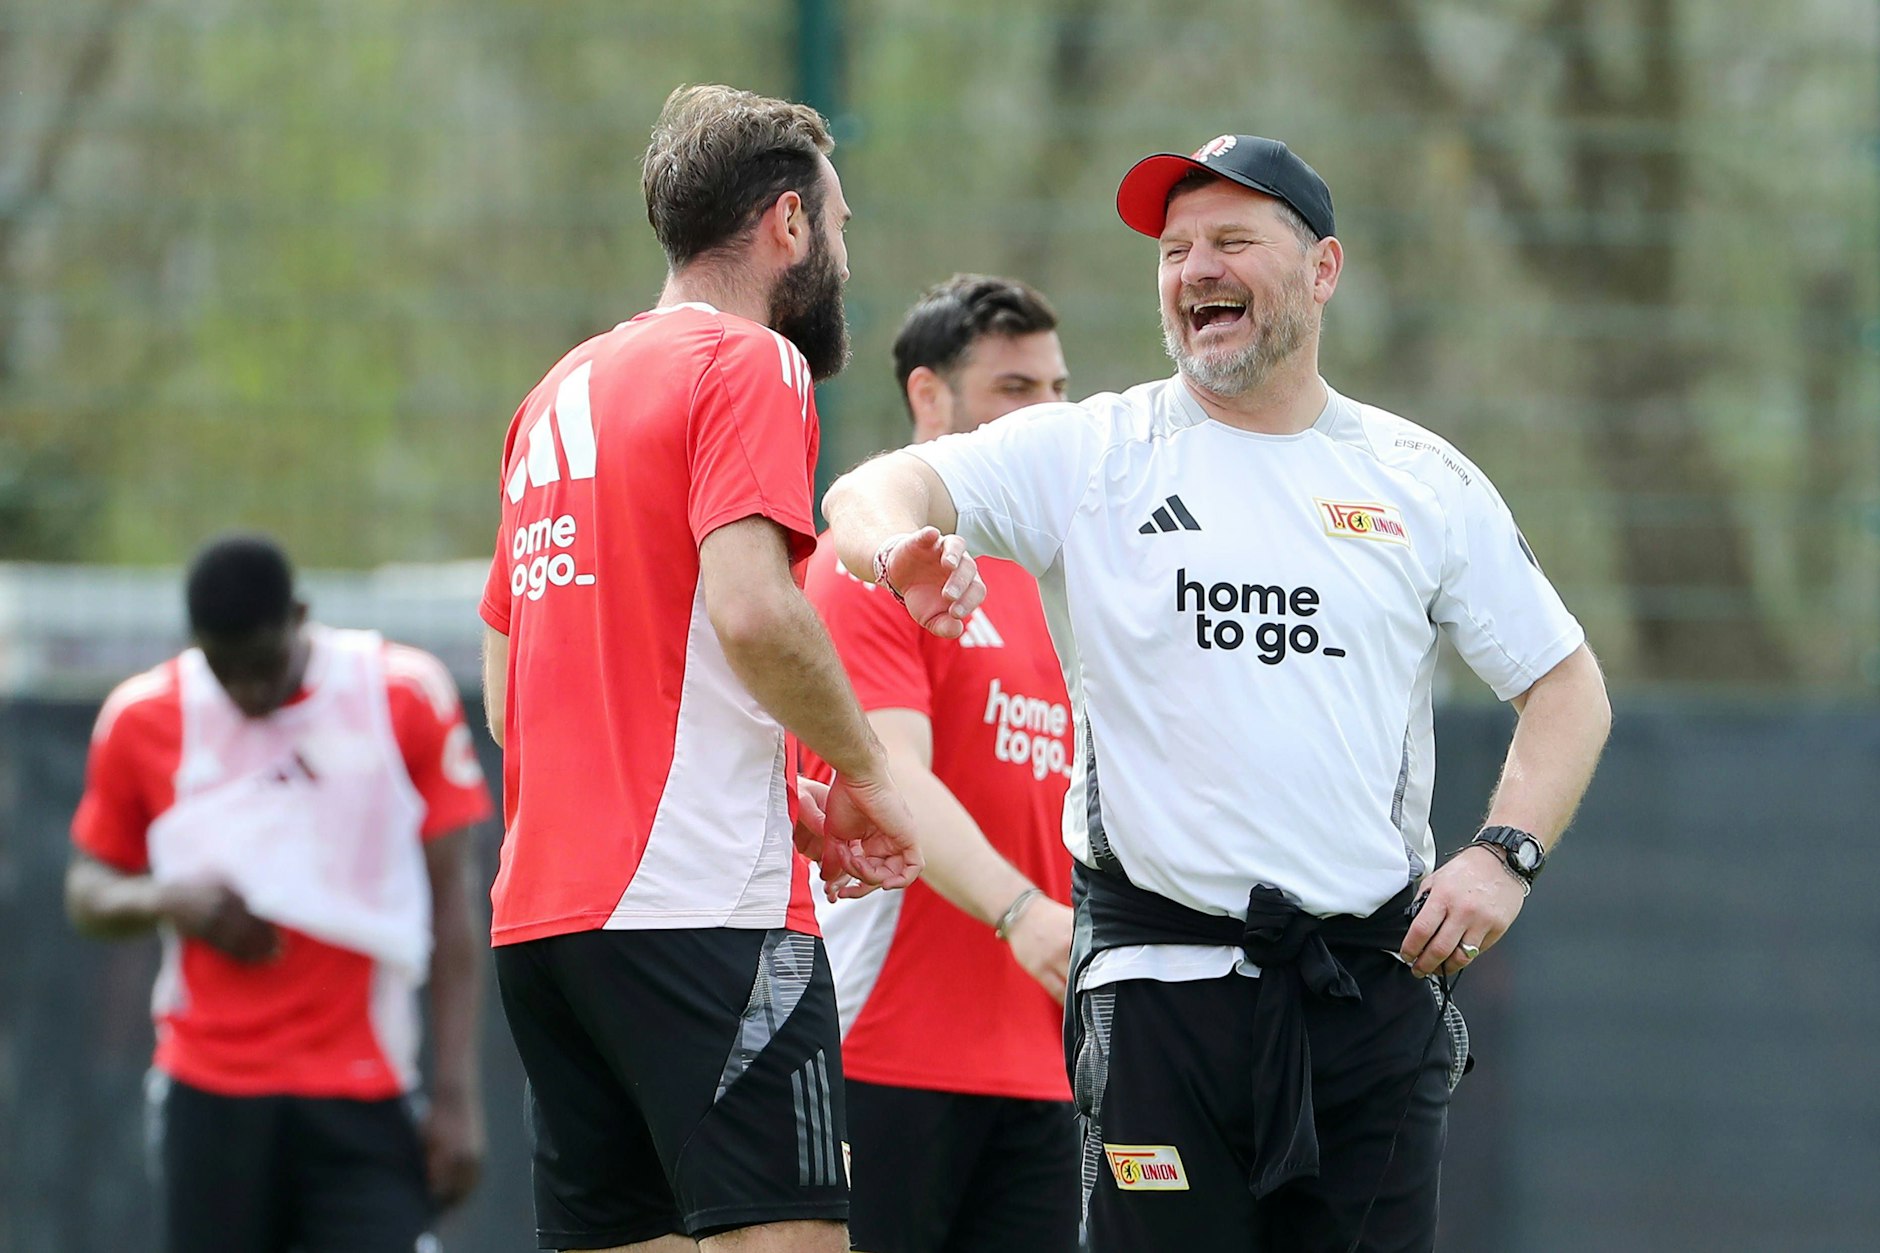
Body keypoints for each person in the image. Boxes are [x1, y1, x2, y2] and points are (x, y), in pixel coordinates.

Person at [822, 134, 1613, 1252]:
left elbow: (1566, 684)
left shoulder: (1416, 479)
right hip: (1156, 997)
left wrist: (1502, 853)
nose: (1194, 268)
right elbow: (874, 485)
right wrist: (898, 541)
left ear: (1322, 270)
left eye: (1231, 241)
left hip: (1363, 999)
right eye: (1174, 247)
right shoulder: (1095, 450)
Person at [478, 84, 924, 1253]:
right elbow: (754, 614)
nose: (840, 251)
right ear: (787, 224)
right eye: (838, 225)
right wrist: (868, 769)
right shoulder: (749, 362)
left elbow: (505, 689)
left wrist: (788, 797)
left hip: (544, 928)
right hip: (702, 911)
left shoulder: (553, 392)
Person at [65, 534, 493, 1253]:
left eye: (262, 667)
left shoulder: (398, 693)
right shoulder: (140, 717)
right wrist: (167, 900)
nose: (247, 693)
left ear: (300, 615)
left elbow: (454, 899)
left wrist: (456, 1092)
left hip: (364, 1087)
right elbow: (86, 889)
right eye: (223, 670)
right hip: (209, 1089)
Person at [801, 275, 1078, 1253]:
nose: (1046, 416)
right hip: (883, 1050)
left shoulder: (1052, 584)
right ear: (929, 399)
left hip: (1042, 1064)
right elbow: (892, 783)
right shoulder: (871, 565)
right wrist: (1022, 911)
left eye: (1056, 389)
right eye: (1014, 388)